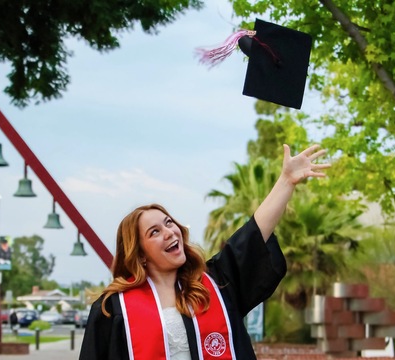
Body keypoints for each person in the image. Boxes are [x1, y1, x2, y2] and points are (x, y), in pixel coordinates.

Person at [79, 144, 330, 360]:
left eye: (169, 223)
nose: (169, 232)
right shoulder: (113, 309)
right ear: (140, 253)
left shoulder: (215, 284)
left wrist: (285, 182)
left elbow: (253, 235)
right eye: (154, 232)